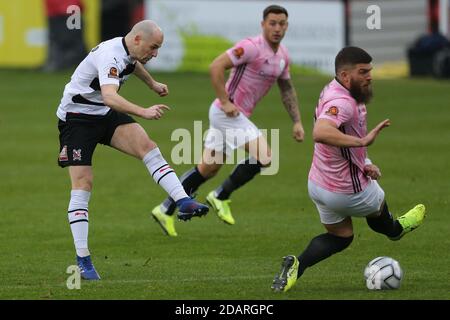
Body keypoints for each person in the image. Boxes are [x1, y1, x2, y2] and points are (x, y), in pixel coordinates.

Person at [56, 20, 209, 280]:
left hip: (103, 114)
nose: (155, 54)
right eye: (153, 47)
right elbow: (110, 97)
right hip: (77, 118)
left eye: (158, 48)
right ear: (137, 39)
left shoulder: (128, 49)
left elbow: (133, 64)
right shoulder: (110, 55)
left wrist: (152, 84)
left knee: (148, 147)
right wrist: (143, 111)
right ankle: (83, 258)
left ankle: (182, 201)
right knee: (83, 184)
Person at [271, 46, 426, 292]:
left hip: (318, 184)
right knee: (380, 214)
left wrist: (364, 162)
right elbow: (320, 132)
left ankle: (295, 267)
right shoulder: (343, 102)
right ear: (345, 76)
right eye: (363, 72)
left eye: (370, 71)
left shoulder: (333, 89)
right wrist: (361, 143)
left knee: (340, 237)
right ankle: (397, 229)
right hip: (348, 190)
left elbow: (342, 135)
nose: (369, 77)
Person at [151, 5, 305, 237]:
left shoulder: (282, 56)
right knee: (265, 157)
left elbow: (286, 88)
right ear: (263, 24)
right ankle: (220, 195)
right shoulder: (251, 47)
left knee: (208, 169)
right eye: (272, 23)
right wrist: (225, 101)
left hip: (233, 115)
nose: (277, 28)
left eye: (281, 24)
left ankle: (165, 209)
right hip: (228, 113)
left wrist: (297, 121)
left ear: (287, 26)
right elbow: (216, 66)